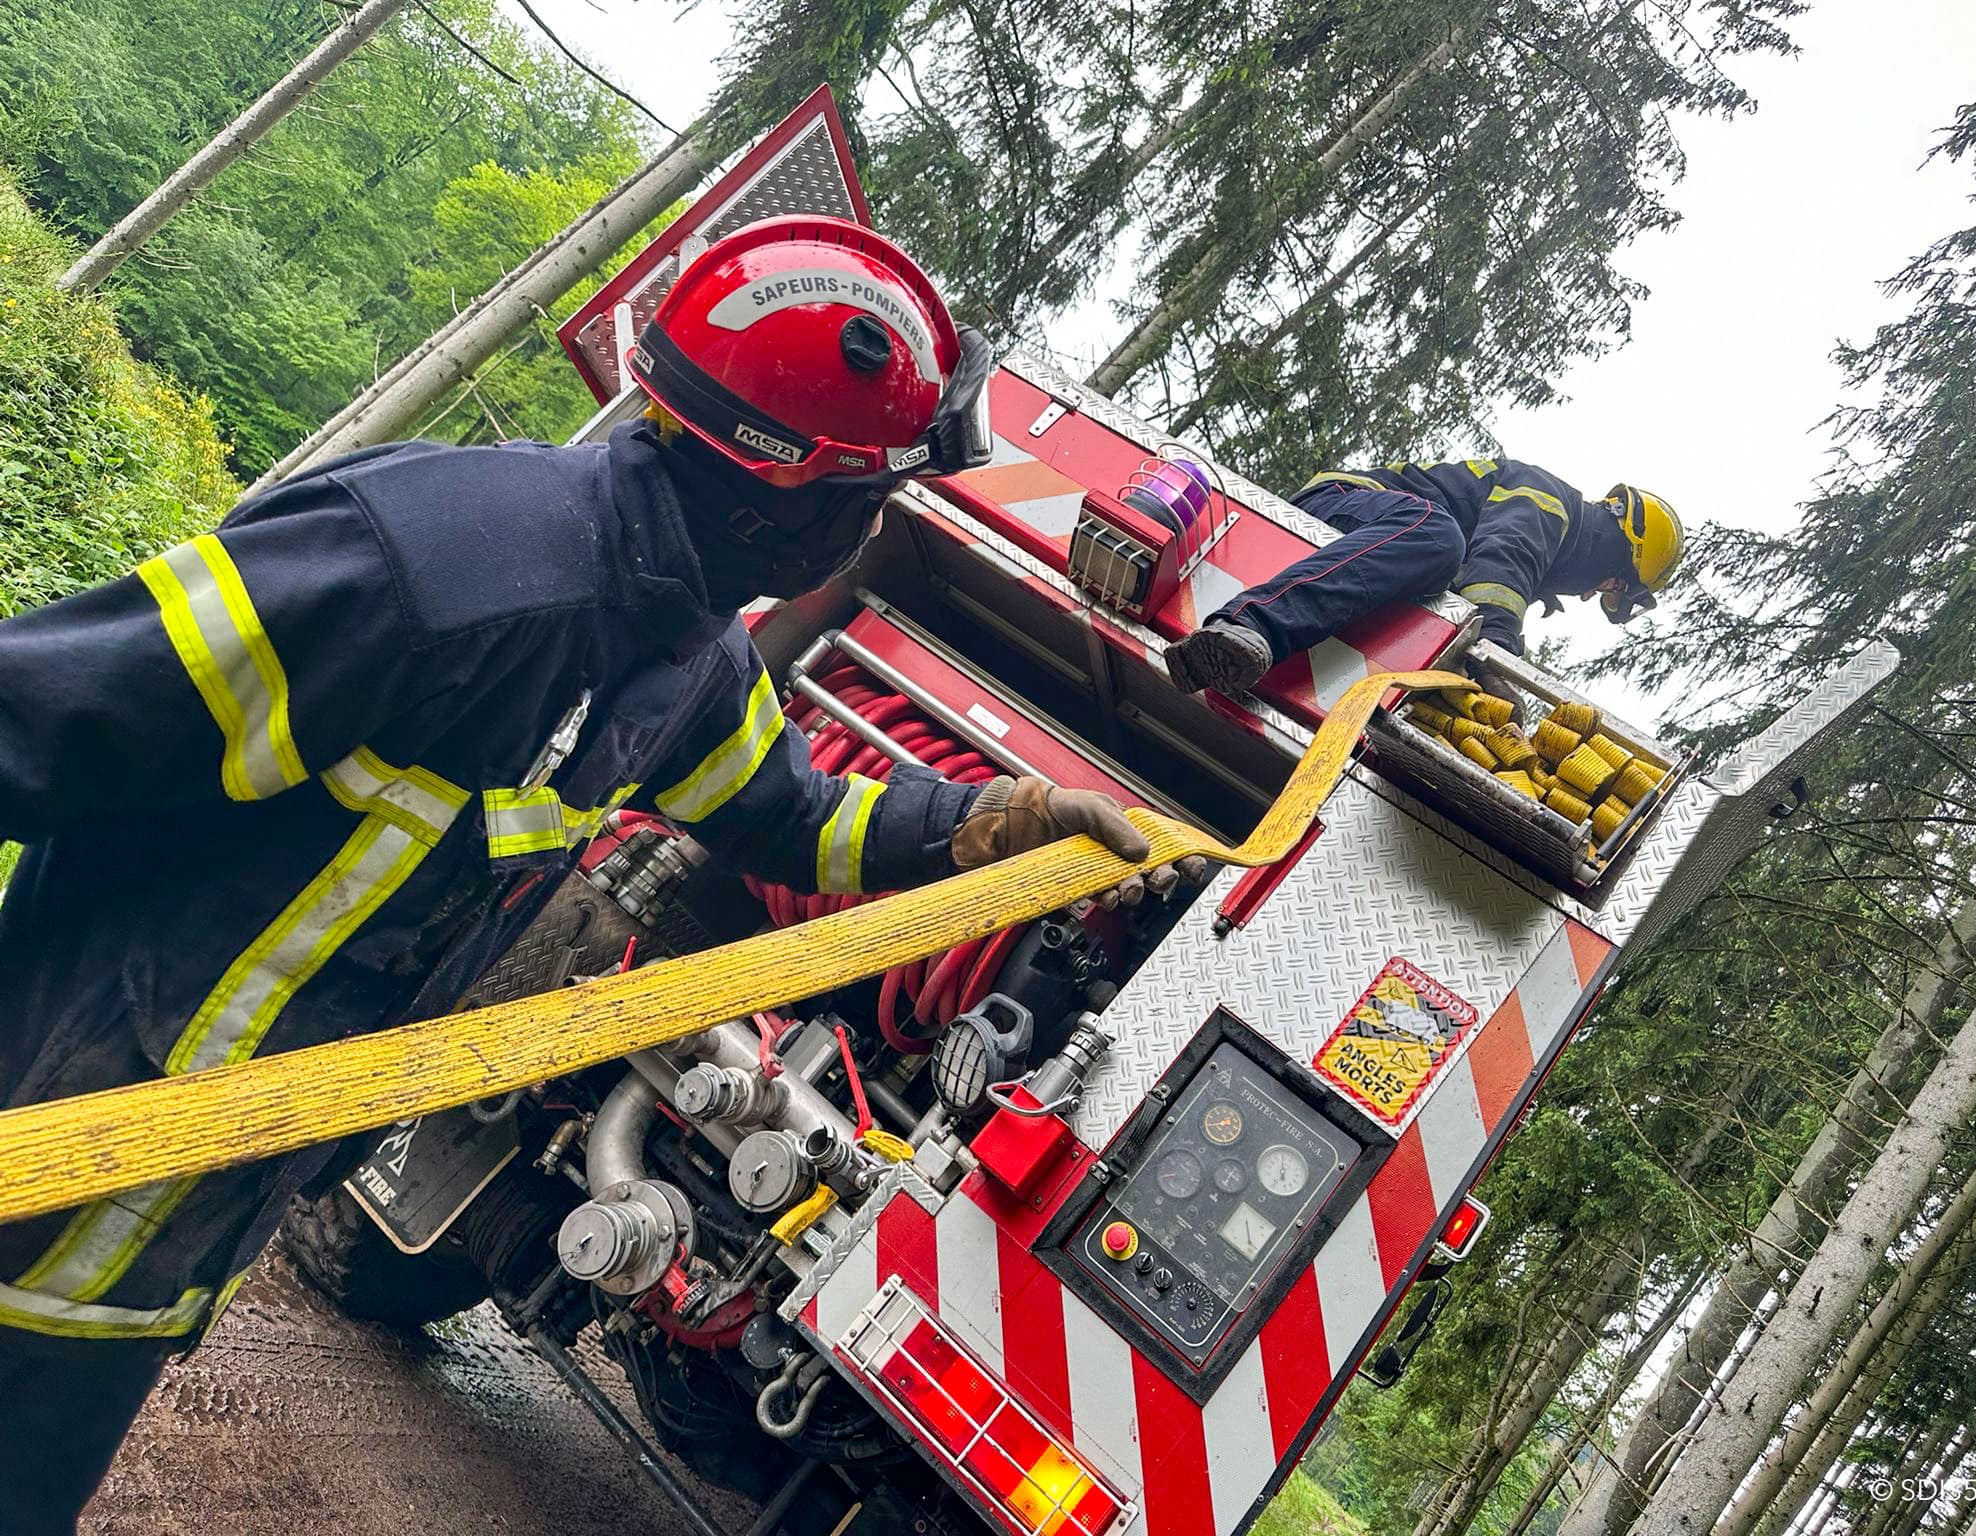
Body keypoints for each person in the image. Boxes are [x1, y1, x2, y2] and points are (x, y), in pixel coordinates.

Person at [0, 216, 1183, 1533]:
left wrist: (988, 824)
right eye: (864, 503)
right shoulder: (431, 566)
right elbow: (38, 718)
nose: (861, 534)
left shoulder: (682, 658)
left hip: (138, 1249)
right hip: (37, 1143)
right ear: (780, 492)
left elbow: (791, 816)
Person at [1162, 459, 1684, 706]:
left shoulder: (1553, 551)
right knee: (1438, 534)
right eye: (1614, 583)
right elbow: (1505, 558)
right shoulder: (1550, 500)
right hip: (1344, 507)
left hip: (1369, 558)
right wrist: (1498, 656)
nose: (1594, 593)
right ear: (1617, 544)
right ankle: (1249, 626)